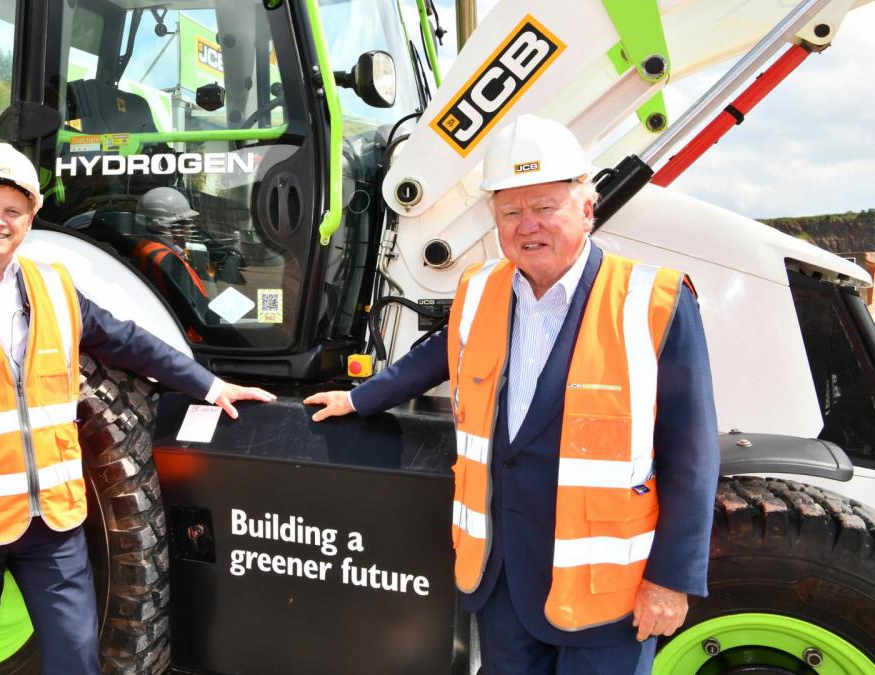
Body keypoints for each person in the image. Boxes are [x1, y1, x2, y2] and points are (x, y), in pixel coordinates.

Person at [304, 115, 718, 674]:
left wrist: (671, 579)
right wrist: (358, 400)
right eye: (511, 212)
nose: (528, 226)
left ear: (586, 208)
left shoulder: (655, 300)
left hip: (606, 598)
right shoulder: (480, 290)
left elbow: (692, 453)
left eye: (545, 207)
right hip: (501, 579)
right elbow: (434, 355)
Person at [0, 143, 275, 675]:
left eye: (13, 211)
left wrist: (207, 383)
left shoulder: (55, 287)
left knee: (77, 657)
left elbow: (127, 340)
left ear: (31, 217)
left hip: (52, 526)